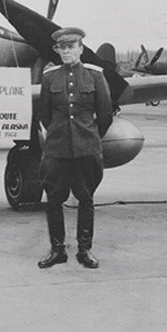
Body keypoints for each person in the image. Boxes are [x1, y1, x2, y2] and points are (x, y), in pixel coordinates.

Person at [37, 26, 113, 269]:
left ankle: (84, 250)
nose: (66, 51)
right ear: (58, 51)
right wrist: (60, 135)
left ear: (81, 49)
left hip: (85, 149)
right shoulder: (50, 77)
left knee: (86, 199)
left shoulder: (95, 76)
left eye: (71, 46)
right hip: (57, 150)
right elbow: (45, 115)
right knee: (54, 200)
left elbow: (105, 115)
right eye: (62, 47)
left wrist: (89, 138)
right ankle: (57, 250)